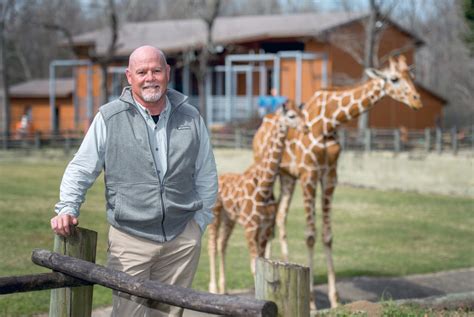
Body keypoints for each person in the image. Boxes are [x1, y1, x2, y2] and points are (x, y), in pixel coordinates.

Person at [50, 45, 218, 317]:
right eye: (142, 72)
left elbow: (206, 174)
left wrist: (198, 224)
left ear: (167, 73)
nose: (149, 77)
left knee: (169, 315)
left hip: (181, 239)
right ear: (129, 76)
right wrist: (67, 207)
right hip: (130, 240)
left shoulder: (191, 117)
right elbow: (82, 168)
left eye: (156, 70)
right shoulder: (109, 117)